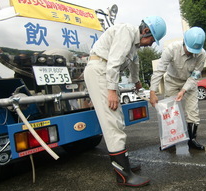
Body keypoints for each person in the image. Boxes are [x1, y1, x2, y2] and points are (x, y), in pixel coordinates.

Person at [84, 16, 166, 187]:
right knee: (112, 121)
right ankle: (123, 175)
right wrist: (112, 90)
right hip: (101, 70)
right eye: (152, 39)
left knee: (117, 120)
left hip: (104, 71)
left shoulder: (134, 44)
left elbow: (134, 63)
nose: (151, 44)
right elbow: (114, 60)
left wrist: (137, 82)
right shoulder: (126, 31)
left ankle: (124, 165)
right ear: (145, 31)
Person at [150, 27, 206, 151]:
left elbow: (195, 75)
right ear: (184, 42)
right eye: (189, 50)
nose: (191, 54)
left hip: (189, 83)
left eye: (194, 51)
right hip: (172, 81)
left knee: (193, 111)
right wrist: (152, 92)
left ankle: (192, 139)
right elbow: (159, 70)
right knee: (170, 111)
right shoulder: (171, 49)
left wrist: (184, 90)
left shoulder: (202, 54)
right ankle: (171, 140)